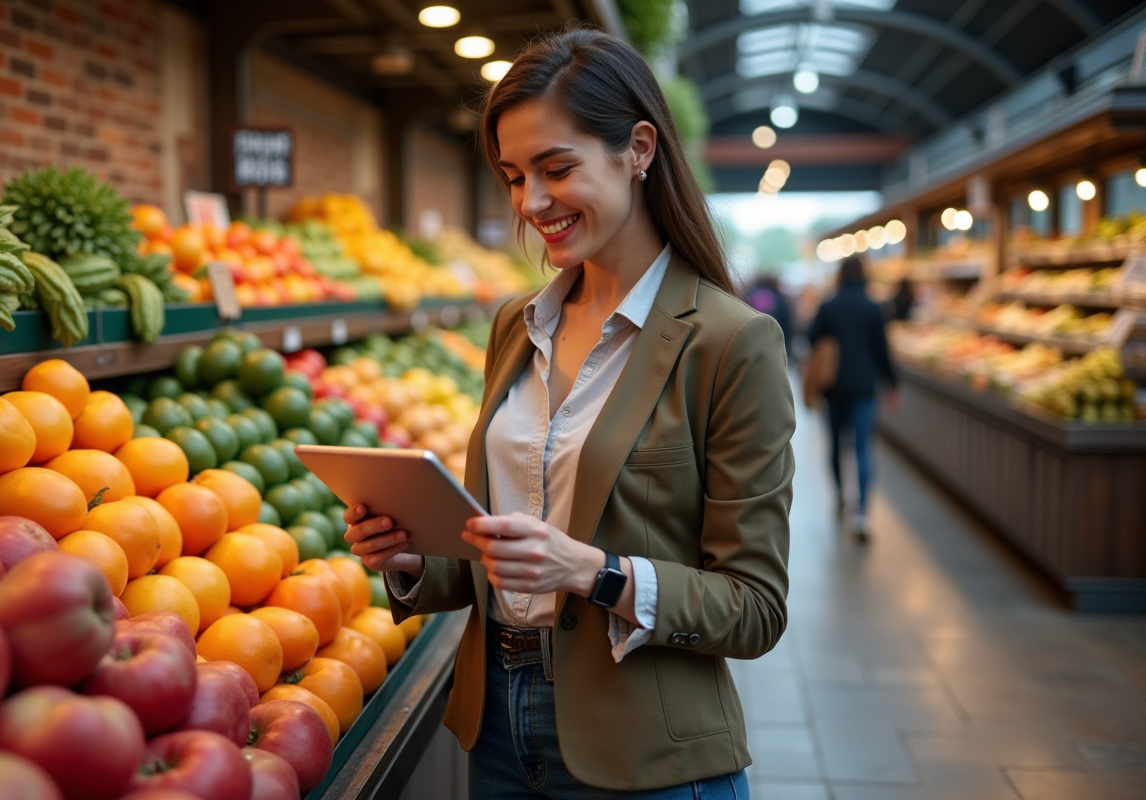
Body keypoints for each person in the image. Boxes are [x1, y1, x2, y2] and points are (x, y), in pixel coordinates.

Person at [344, 28, 795, 800]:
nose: (532, 202)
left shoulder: (731, 341)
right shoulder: (516, 327)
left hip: (645, 752)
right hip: (494, 732)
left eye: (557, 169)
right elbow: (490, 551)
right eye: (515, 176)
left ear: (640, 148)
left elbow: (754, 608)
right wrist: (414, 561)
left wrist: (594, 571)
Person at [807, 255, 897, 539]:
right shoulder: (873, 308)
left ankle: (839, 497)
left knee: (836, 444)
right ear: (863, 275)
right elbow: (882, 349)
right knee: (861, 449)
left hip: (833, 386)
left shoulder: (828, 305)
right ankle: (861, 513)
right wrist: (892, 383)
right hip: (864, 386)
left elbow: (811, 337)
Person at [745, 274, 793, 356]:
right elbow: (786, 323)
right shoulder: (779, 298)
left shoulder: (750, 294)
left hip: (750, 341)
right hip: (773, 343)